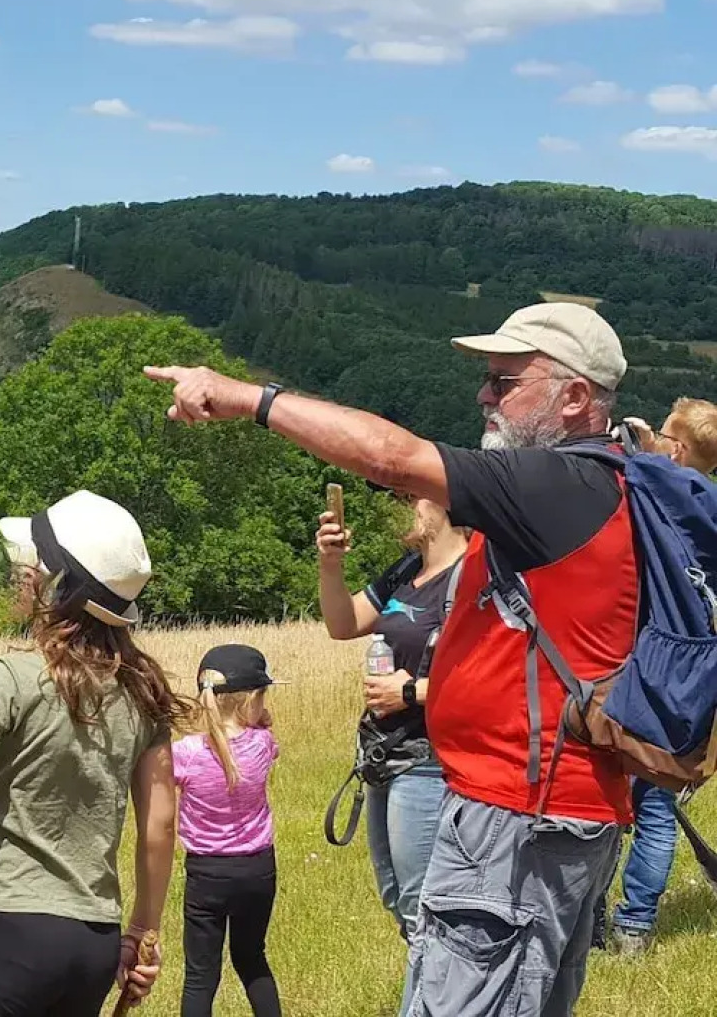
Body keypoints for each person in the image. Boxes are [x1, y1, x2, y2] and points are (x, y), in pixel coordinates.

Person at [147, 301, 638, 1017]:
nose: (484, 396)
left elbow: (389, 456)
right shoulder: (609, 483)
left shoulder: (558, 486)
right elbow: (347, 620)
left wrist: (248, 398)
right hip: (554, 814)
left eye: (504, 382)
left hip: (517, 820)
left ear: (574, 398)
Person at [0, 489, 180, 1016]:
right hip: (95, 937)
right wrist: (145, 928)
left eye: (29, 565)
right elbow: (160, 826)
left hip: (11, 930)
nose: (19, 573)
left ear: (55, 584)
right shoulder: (143, 693)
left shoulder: (15, 676)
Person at [317, 496, 468, 952]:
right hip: (387, 754)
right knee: (396, 897)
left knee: (422, 906)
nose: (402, 504)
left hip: (430, 761)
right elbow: (343, 624)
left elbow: (498, 677)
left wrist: (412, 692)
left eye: (411, 495)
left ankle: (440, 986)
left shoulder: (472, 577)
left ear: (448, 505)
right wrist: (330, 565)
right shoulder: (406, 570)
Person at [598, 397, 717, 955]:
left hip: (651, 669)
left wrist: (638, 444)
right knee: (657, 804)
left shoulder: (678, 493)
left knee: (620, 801)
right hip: (693, 677)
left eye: (668, 436)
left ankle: (603, 918)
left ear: (679, 448)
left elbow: (640, 469)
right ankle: (634, 926)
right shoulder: (704, 505)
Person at [175, 643, 284, 1017]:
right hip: (258, 868)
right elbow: (270, 744)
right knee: (252, 958)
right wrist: (261, 721)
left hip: (206, 873)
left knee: (200, 976)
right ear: (253, 699)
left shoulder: (186, 753)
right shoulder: (263, 744)